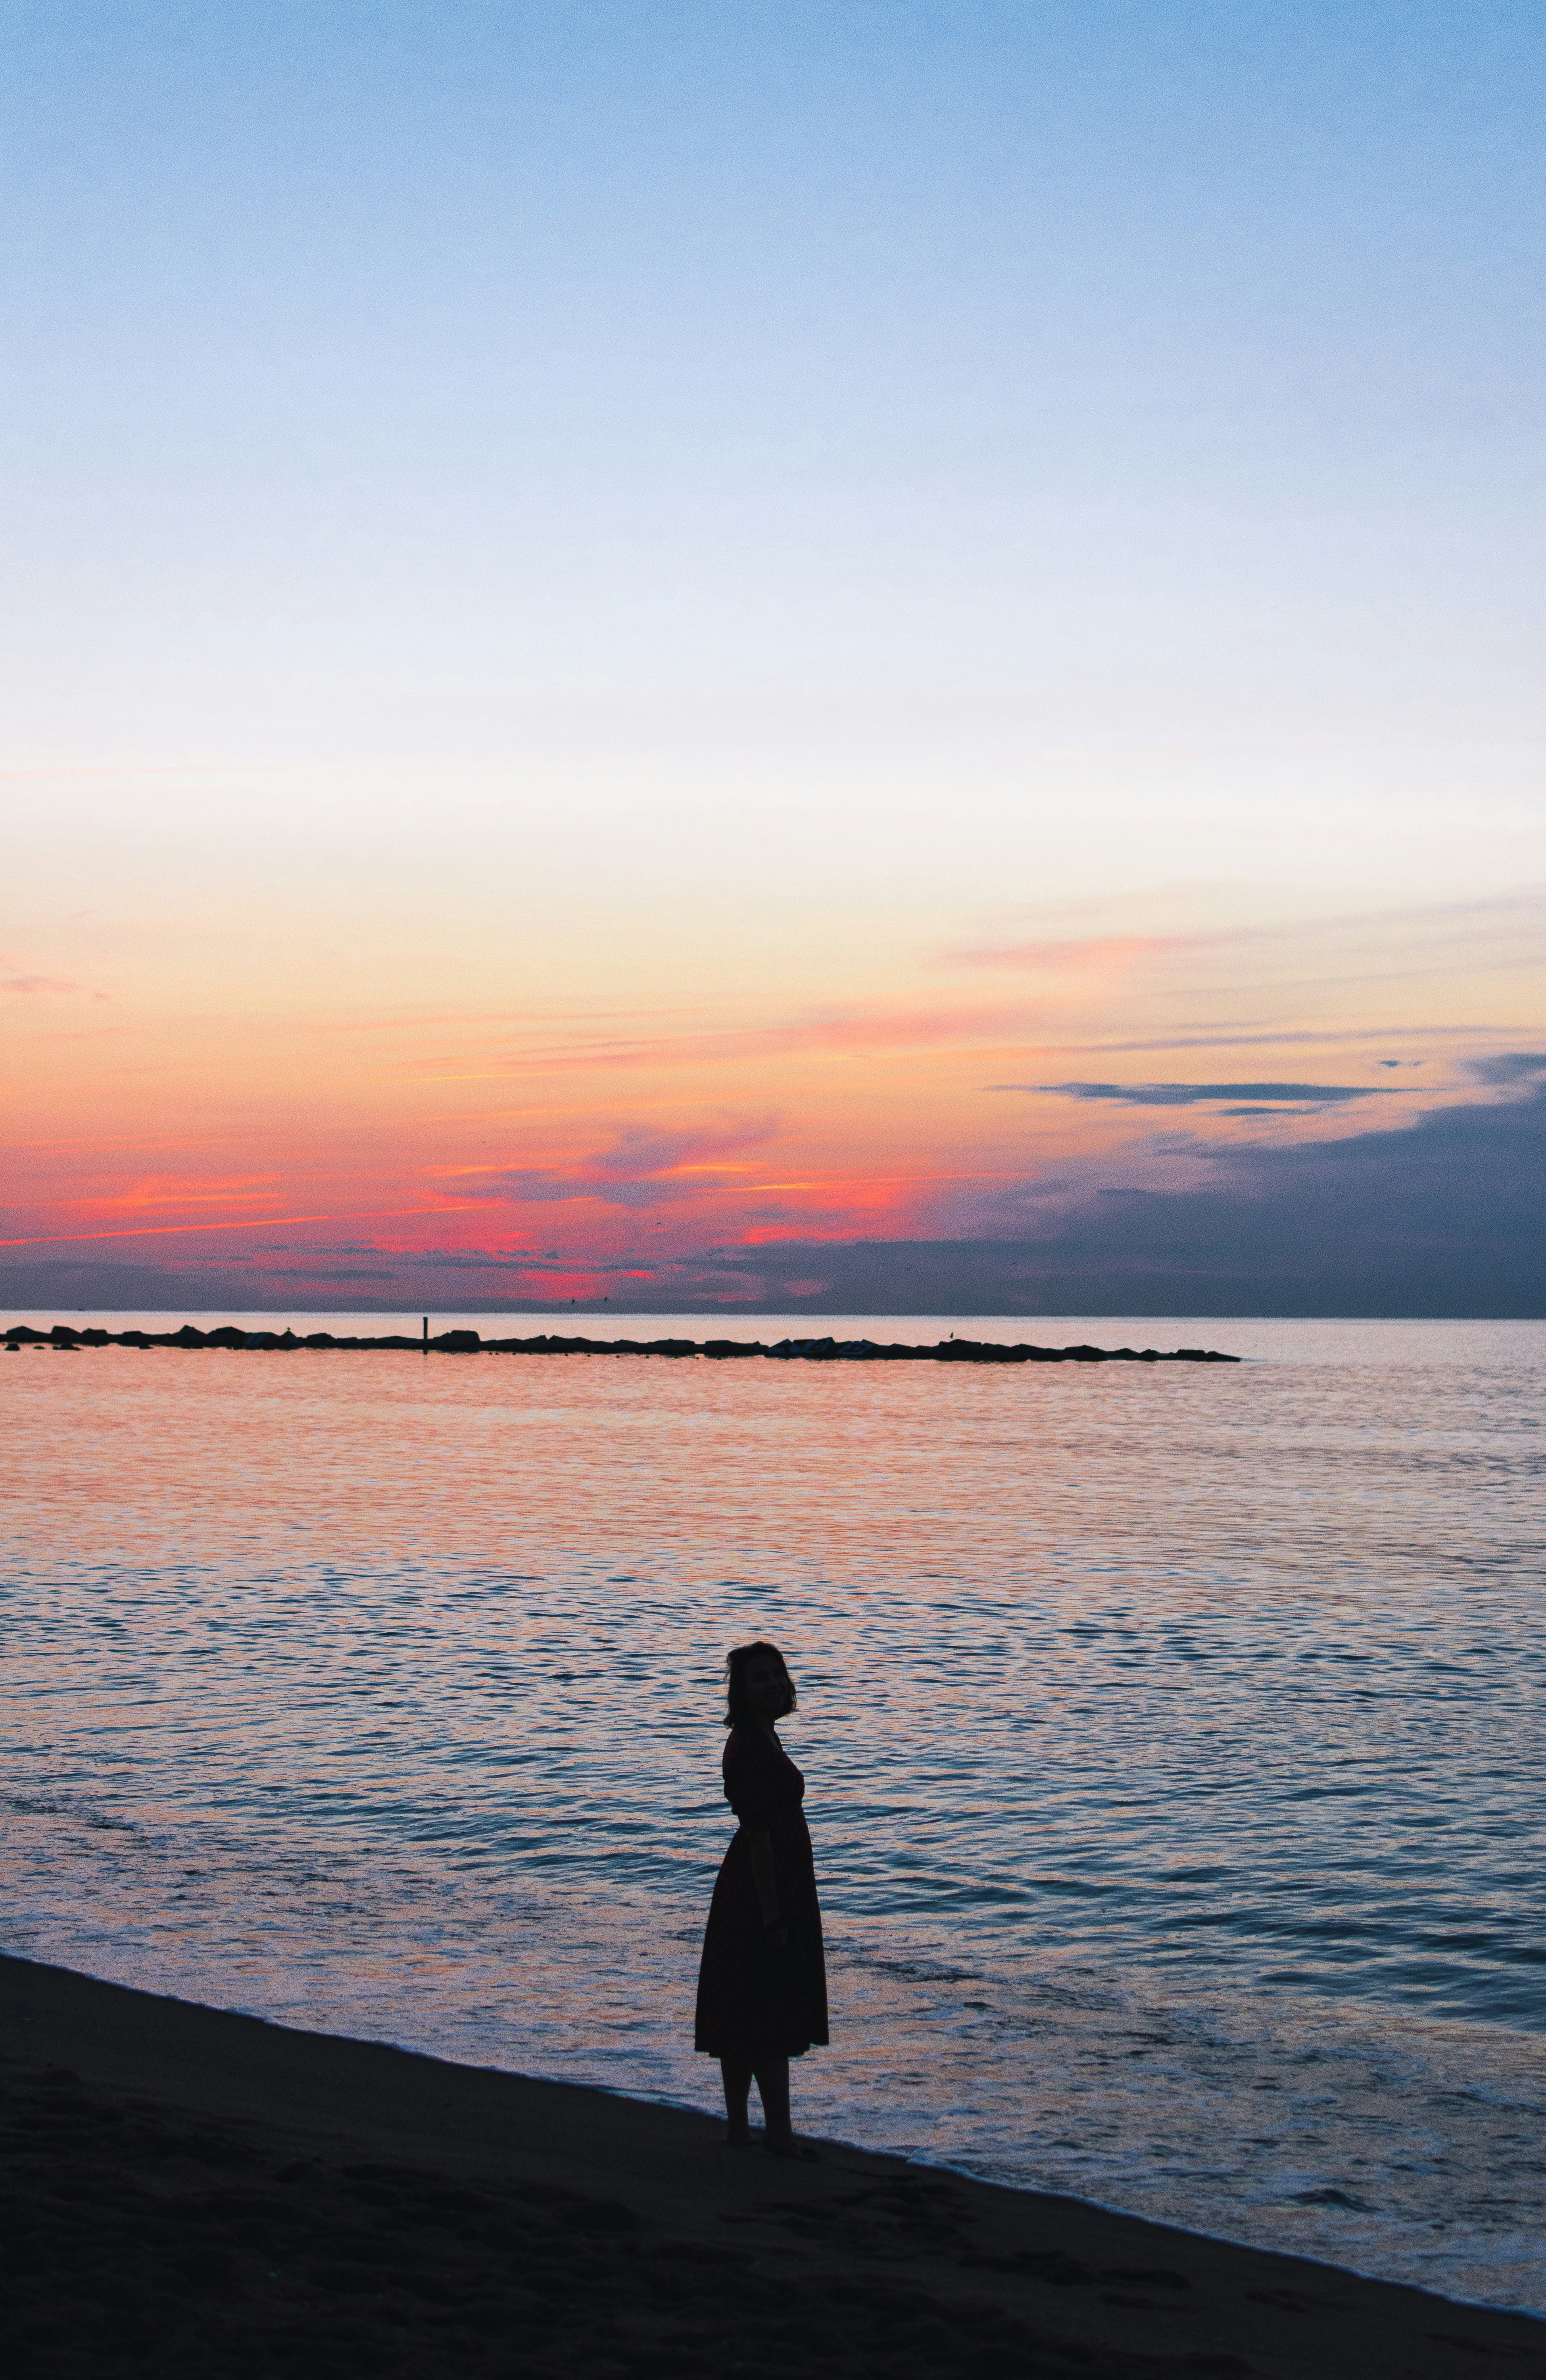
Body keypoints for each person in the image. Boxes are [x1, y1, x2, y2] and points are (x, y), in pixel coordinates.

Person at [694, 1639, 828, 2159]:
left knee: (744, 2007)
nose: (772, 1684)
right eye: (759, 1678)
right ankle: (776, 2135)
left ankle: (739, 2129)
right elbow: (759, 1838)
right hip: (759, 1891)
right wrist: (773, 1918)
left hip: (765, 1886)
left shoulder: (764, 1737)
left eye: (777, 1674)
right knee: (768, 2010)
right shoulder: (748, 1747)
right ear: (740, 1691)